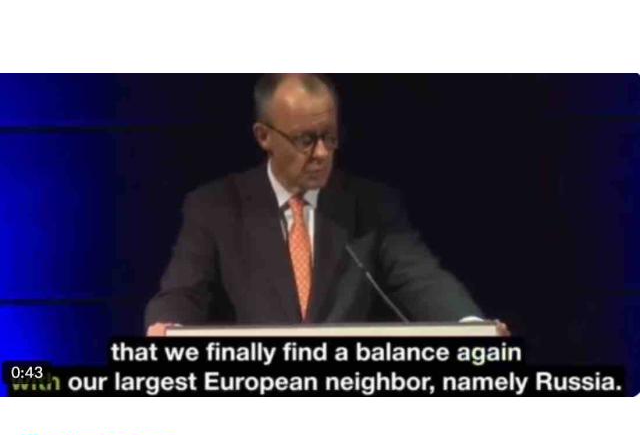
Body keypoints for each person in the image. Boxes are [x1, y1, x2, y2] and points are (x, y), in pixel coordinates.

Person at [146, 74, 506, 336]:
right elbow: (183, 291)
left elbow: (420, 277)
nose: (321, 153)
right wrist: (167, 329)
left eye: (329, 137)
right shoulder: (216, 207)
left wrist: (472, 329)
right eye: (305, 140)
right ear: (264, 136)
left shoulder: (371, 205)